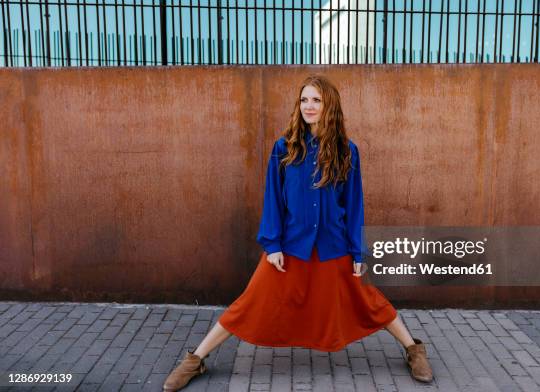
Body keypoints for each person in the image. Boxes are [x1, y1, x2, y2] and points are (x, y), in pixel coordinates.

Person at [163, 75, 433, 391]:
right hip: (291, 246)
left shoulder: (348, 152)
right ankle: (195, 359)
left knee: (368, 301)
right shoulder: (285, 148)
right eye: (304, 100)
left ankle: (414, 350)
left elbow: (354, 203)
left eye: (316, 100)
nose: (308, 106)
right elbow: (274, 200)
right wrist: (273, 243)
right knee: (251, 301)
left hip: (334, 245)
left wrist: (357, 251)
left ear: (329, 105)